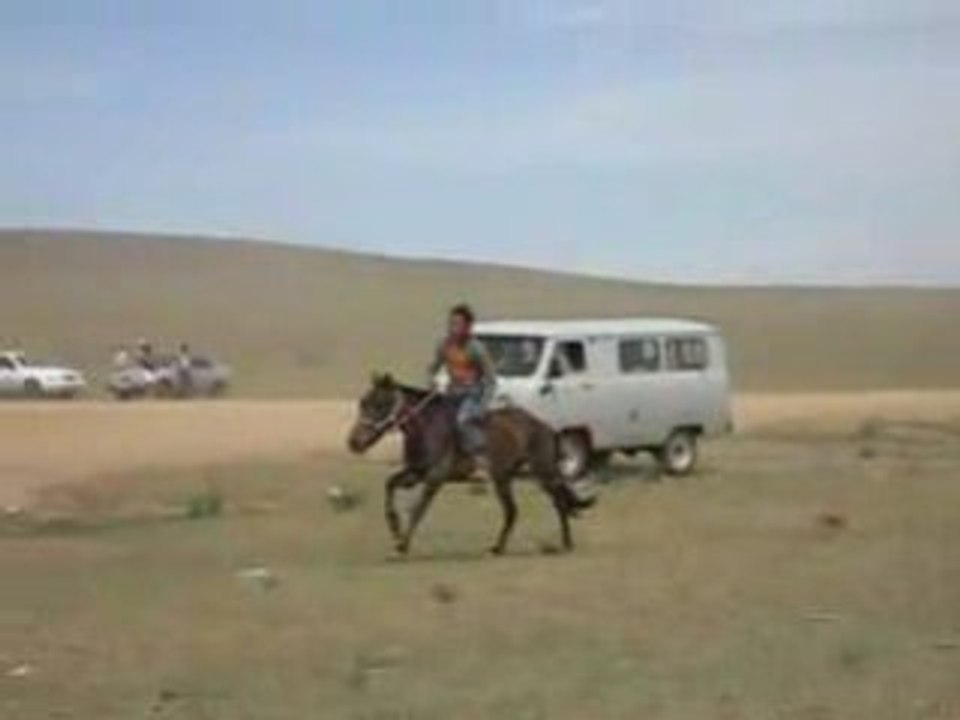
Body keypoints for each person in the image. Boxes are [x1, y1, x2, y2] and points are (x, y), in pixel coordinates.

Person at [428, 303, 497, 461]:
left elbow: (491, 380)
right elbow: (432, 368)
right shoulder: (444, 345)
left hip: (472, 394)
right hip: (452, 392)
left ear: (467, 327)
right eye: (451, 323)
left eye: (458, 324)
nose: (453, 328)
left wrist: (483, 405)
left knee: (462, 421)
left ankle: (480, 456)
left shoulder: (477, 348)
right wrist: (432, 381)